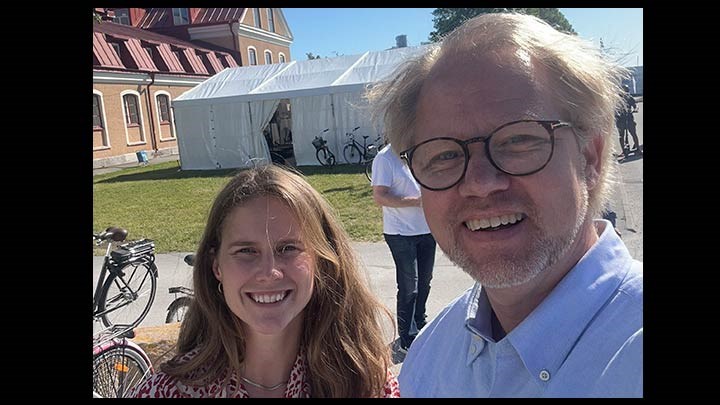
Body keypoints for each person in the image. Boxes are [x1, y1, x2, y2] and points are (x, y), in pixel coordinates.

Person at [366, 13, 642, 397]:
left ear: (590, 158)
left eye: (517, 141)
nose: (480, 183)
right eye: (444, 154)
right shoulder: (430, 356)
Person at [131, 164, 400, 398]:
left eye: (288, 248)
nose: (269, 272)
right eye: (246, 251)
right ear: (216, 267)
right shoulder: (168, 392)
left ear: (321, 261)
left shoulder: (366, 384)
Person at [371, 143, 437, 354]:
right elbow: (380, 196)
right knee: (410, 287)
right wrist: (416, 202)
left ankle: (420, 323)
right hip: (400, 233)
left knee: (425, 282)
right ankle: (407, 338)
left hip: (427, 229)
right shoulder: (385, 158)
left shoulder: (419, 154)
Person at [615, 84, 641, 158]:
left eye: (627, 90)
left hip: (629, 118)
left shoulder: (629, 98)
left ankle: (638, 149)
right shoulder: (616, 99)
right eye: (625, 90)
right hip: (620, 119)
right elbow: (613, 109)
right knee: (621, 135)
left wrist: (635, 109)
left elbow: (635, 106)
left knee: (633, 133)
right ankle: (623, 151)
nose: (626, 92)